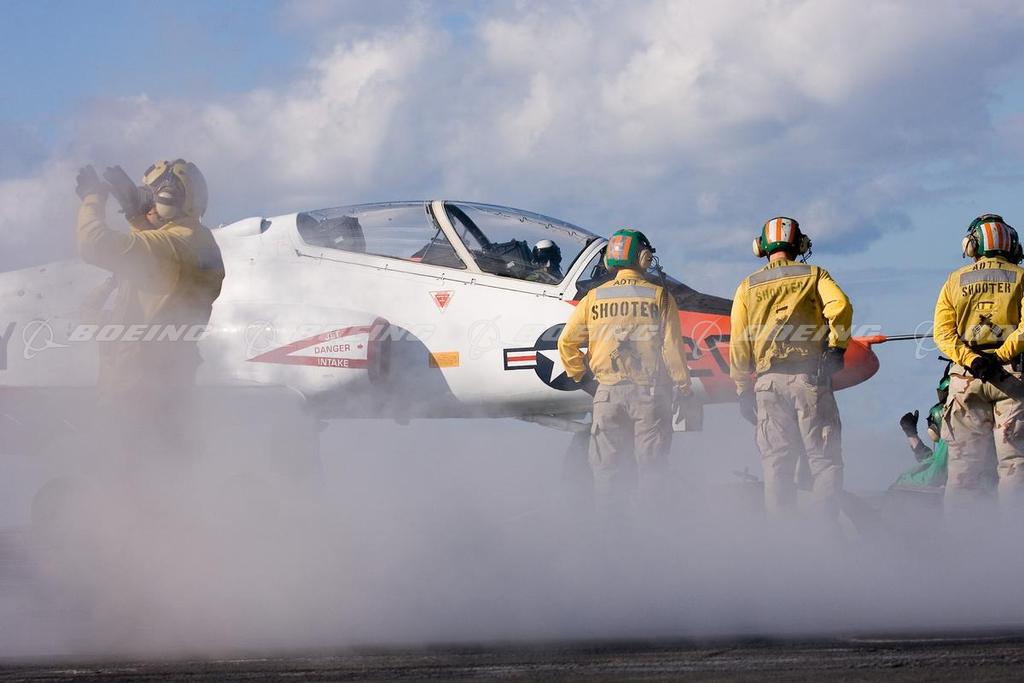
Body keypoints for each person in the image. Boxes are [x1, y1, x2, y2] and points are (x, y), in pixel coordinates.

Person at [74, 159, 225, 460]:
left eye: (153, 197)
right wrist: (136, 215)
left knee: (125, 478)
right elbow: (160, 262)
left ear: (171, 200)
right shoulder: (197, 239)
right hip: (168, 389)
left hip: (136, 395)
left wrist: (93, 197)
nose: (148, 205)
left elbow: (92, 243)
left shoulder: (172, 248)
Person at [557, 229, 692, 517]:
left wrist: (584, 379)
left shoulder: (593, 298)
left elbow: (566, 343)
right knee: (652, 470)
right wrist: (684, 388)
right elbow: (672, 350)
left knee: (606, 472)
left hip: (606, 395)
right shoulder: (660, 297)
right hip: (649, 395)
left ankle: (612, 534)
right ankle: (650, 530)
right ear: (644, 258)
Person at [729, 217, 852, 518]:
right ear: (799, 244)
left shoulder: (747, 286)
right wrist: (837, 347)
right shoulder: (815, 274)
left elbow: (739, 342)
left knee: (777, 465)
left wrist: (743, 389)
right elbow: (840, 307)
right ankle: (826, 533)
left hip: (768, 385)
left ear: (762, 248)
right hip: (810, 380)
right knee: (823, 462)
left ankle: (784, 537)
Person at [933, 213, 1024, 513]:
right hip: (1012, 377)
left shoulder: (954, 280)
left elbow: (943, 334)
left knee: (963, 468)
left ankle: (963, 535)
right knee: (1014, 464)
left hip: (966, 380)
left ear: (972, 245)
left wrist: (974, 360)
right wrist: (1000, 357)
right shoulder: (1021, 277)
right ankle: (1014, 533)